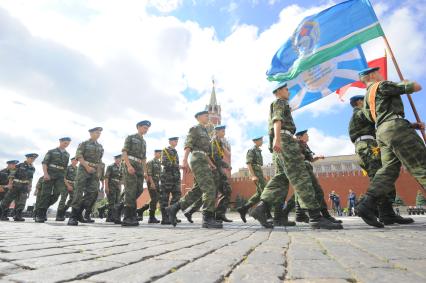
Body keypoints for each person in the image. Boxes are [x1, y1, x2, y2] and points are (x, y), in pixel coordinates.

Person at [250, 81, 342, 229]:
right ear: (279, 91)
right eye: (287, 90)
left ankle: (261, 208)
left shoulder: (279, 103)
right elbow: (277, 120)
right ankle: (315, 217)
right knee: (301, 177)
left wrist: (277, 140)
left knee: (281, 179)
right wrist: (278, 139)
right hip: (285, 142)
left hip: (283, 141)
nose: (289, 92)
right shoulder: (279, 102)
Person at [355, 67, 425, 227]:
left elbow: (380, 117)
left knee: (388, 170)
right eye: (378, 73)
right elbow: (416, 87)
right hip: (396, 128)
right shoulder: (381, 85)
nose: (381, 74)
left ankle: (366, 204)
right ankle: (368, 204)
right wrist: (406, 83)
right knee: (421, 164)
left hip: (382, 133)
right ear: (372, 75)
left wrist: (410, 125)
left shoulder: (366, 99)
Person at [349, 94, 413, 225]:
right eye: (365, 101)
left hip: (367, 146)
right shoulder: (359, 113)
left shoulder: (359, 115)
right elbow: (378, 117)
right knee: (380, 178)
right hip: (368, 146)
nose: (368, 103)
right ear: (359, 102)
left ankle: (387, 214)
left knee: (382, 177)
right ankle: (370, 209)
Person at [166, 110, 222, 229]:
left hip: (203, 159)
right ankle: (207, 218)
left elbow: (205, 152)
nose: (208, 117)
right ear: (198, 117)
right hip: (196, 158)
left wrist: (210, 163)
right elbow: (188, 145)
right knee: (209, 187)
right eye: (206, 116)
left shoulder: (206, 132)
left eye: (208, 116)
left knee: (198, 190)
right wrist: (185, 160)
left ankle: (174, 208)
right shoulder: (195, 128)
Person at [295, 130, 342, 223]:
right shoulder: (296, 144)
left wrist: (318, 157)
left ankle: (300, 214)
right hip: (302, 169)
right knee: (318, 191)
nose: (308, 136)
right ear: (300, 137)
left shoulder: (305, 145)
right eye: (306, 134)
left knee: (302, 192)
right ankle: (324, 215)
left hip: (307, 168)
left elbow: (310, 159)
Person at [68, 127, 104, 226]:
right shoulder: (84, 144)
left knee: (93, 193)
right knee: (78, 192)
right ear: (91, 133)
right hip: (84, 169)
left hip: (94, 170)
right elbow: (79, 156)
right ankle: (73, 217)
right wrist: (87, 167)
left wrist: (98, 173)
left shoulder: (100, 146)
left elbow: (99, 160)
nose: (98, 134)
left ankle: (79, 212)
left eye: (99, 133)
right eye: (97, 133)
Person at [120, 120, 150, 226]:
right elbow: (124, 152)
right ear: (138, 127)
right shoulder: (131, 137)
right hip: (131, 163)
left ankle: (121, 207)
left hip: (139, 166)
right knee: (130, 190)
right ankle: (128, 217)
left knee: (139, 189)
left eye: (147, 128)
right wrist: (128, 165)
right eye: (144, 128)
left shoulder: (144, 141)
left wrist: (145, 171)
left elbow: (144, 158)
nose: (146, 130)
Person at [35, 137, 71, 223]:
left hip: (60, 176)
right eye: (65, 143)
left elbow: (65, 168)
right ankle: (40, 215)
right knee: (45, 194)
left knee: (56, 195)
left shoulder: (67, 154)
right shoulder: (51, 151)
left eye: (68, 144)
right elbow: (44, 163)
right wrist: (46, 174)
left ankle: (41, 209)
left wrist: (64, 178)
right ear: (60, 142)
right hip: (50, 174)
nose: (66, 145)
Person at [236, 137, 269, 223]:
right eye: (260, 140)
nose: (262, 141)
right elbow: (249, 163)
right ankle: (266, 215)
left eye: (262, 140)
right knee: (265, 192)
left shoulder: (258, 150)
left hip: (259, 173)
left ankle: (244, 209)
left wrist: (263, 175)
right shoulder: (252, 150)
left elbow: (258, 165)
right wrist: (253, 175)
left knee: (259, 194)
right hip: (256, 173)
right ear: (255, 141)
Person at [0, 153, 38, 221]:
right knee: (7, 200)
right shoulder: (19, 166)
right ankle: (3, 215)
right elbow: (11, 175)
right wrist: (10, 184)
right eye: (31, 158)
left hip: (25, 186)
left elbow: (30, 178)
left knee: (22, 201)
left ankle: (18, 216)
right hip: (16, 185)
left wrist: (30, 186)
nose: (32, 160)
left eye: (34, 159)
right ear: (27, 158)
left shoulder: (32, 168)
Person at [159, 137, 182, 224]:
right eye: (174, 140)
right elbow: (164, 162)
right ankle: (165, 218)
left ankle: (172, 215)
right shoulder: (165, 150)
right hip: (167, 178)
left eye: (176, 141)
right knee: (165, 198)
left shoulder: (175, 152)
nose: (176, 142)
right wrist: (177, 166)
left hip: (175, 178)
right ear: (169, 141)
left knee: (177, 196)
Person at [145, 150, 162, 223]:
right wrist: (152, 183)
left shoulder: (158, 163)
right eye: (158, 153)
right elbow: (149, 174)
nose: (160, 154)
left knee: (156, 198)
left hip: (157, 183)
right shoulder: (150, 162)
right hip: (152, 183)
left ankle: (143, 210)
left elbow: (160, 174)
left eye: (161, 153)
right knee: (154, 198)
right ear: (155, 153)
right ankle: (151, 218)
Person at [104, 155, 122, 222]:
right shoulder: (110, 166)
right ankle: (111, 217)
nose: (119, 160)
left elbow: (120, 179)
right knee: (111, 201)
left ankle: (110, 217)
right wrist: (106, 187)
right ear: (115, 159)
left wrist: (120, 187)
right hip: (111, 185)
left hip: (117, 186)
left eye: (120, 159)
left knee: (117, 202)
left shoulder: (121, 167)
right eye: (117, 159)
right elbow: (106, 177)